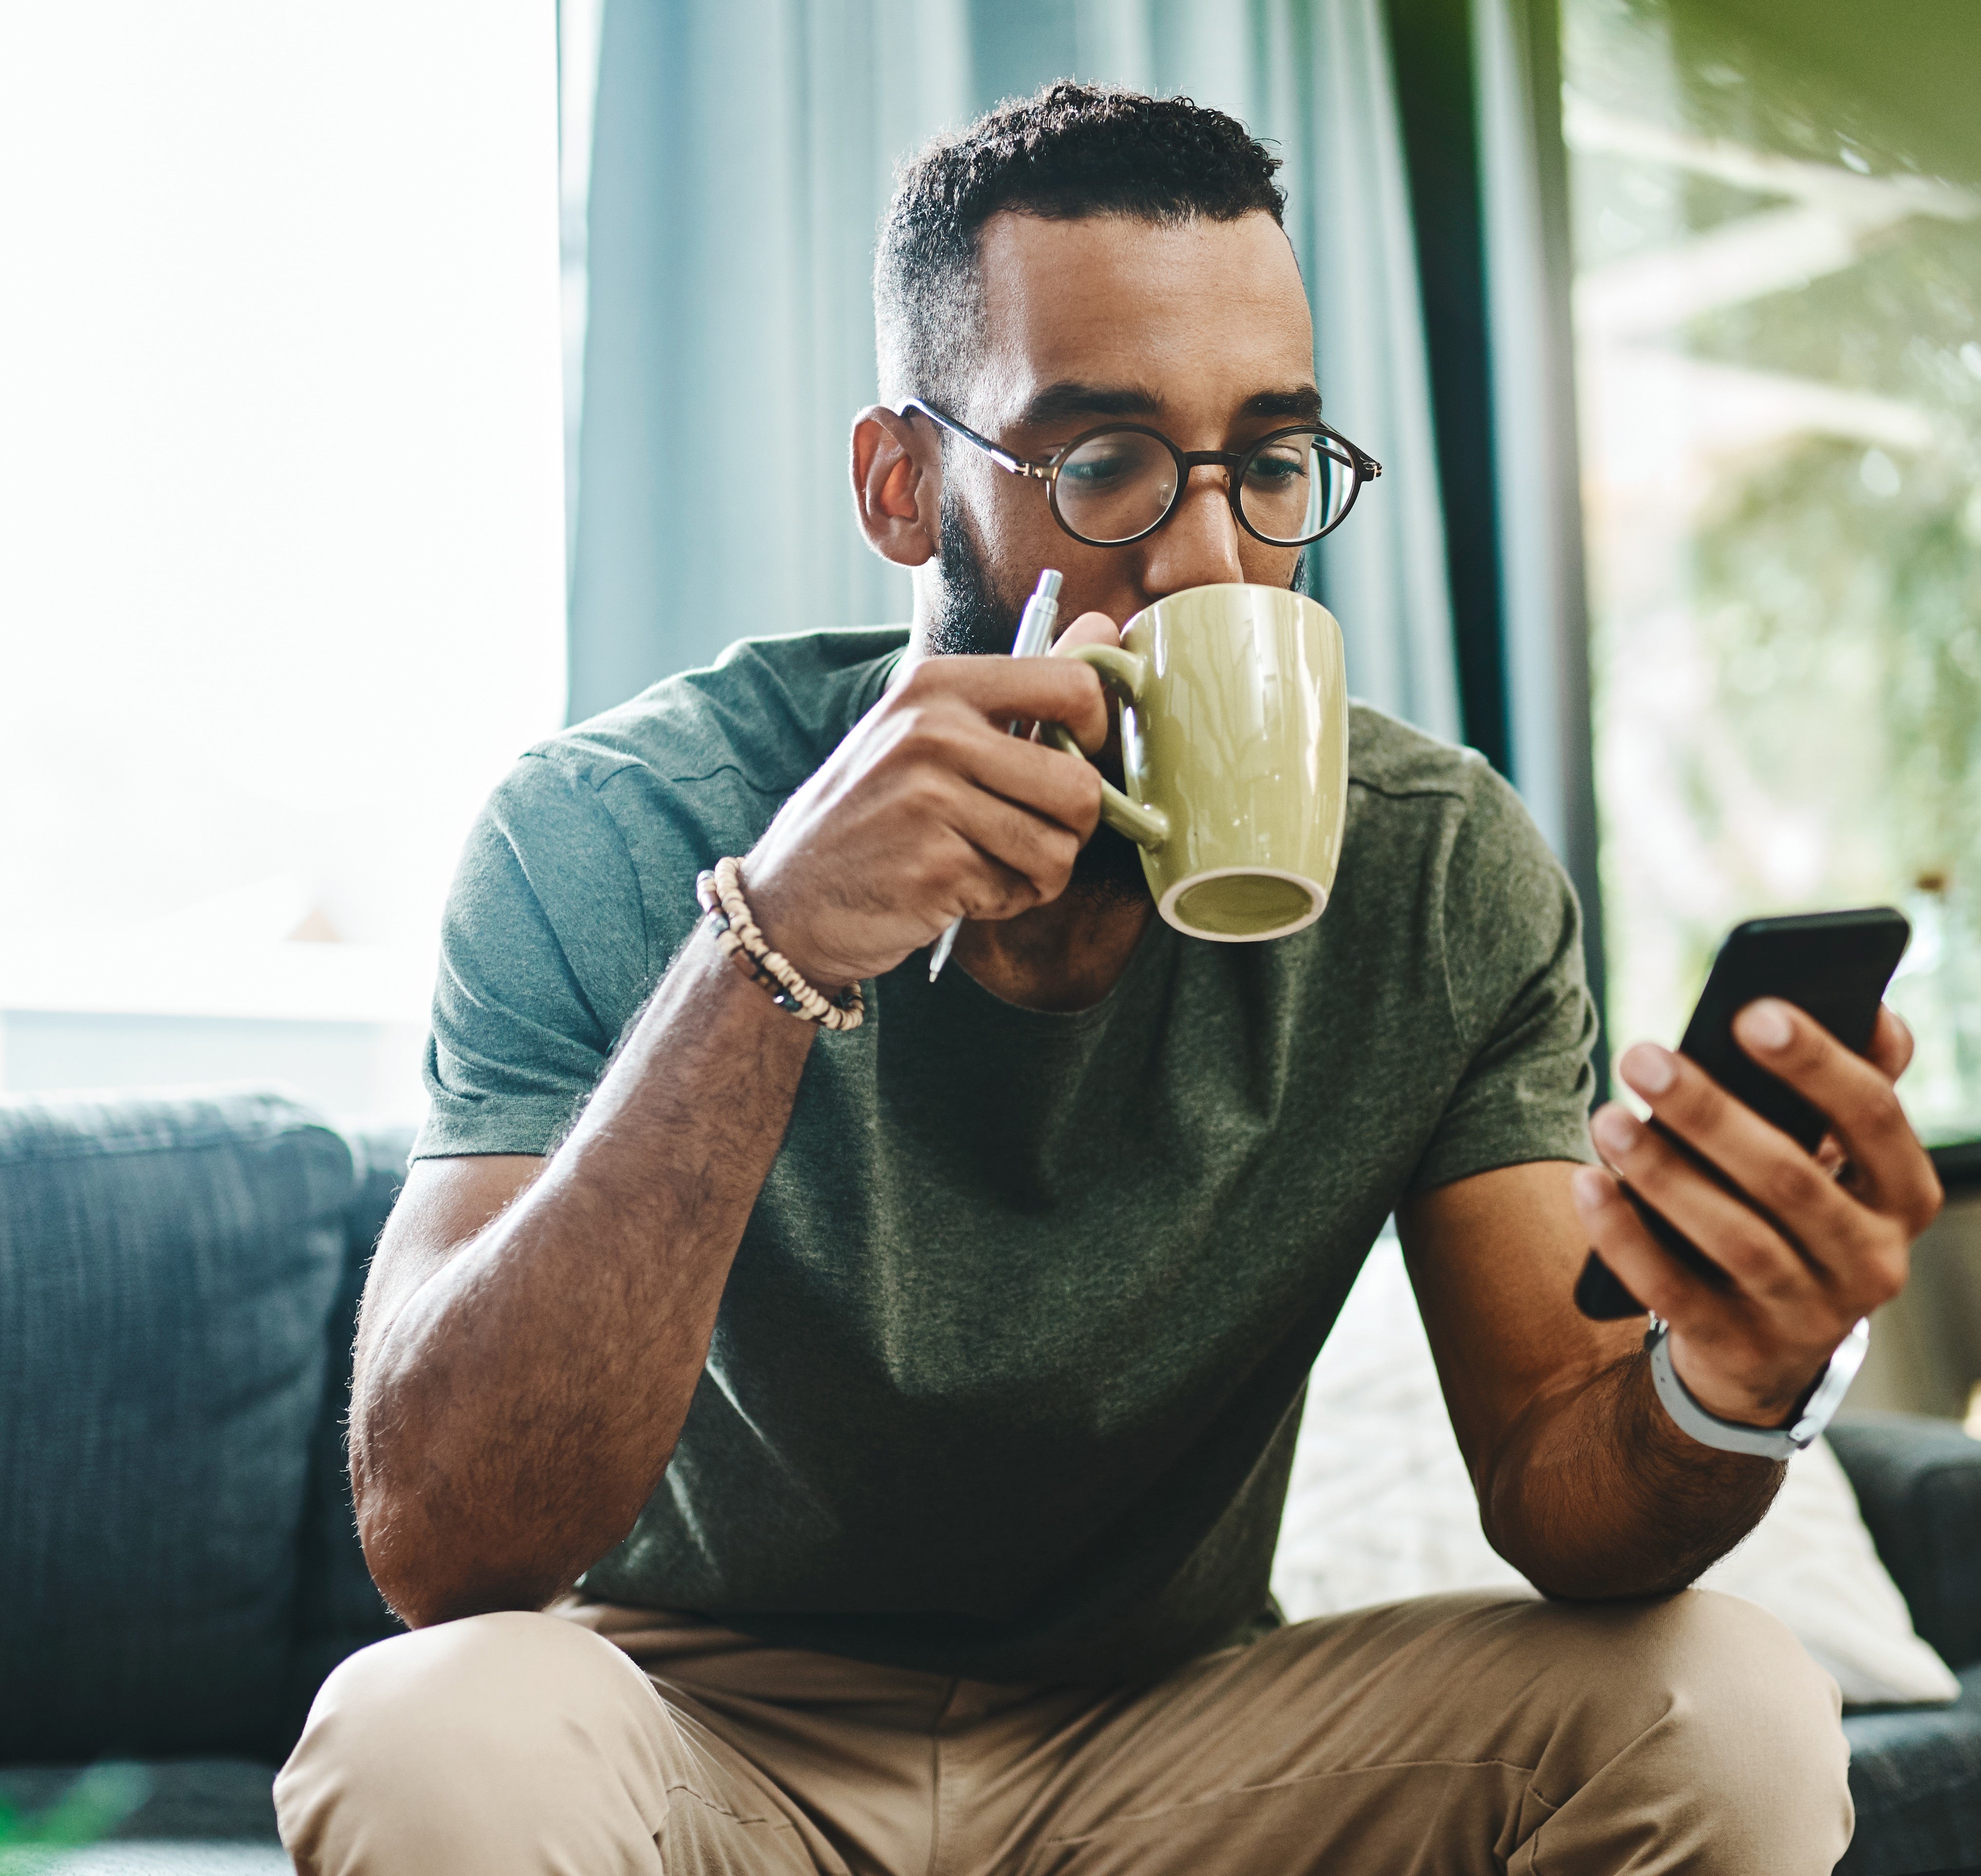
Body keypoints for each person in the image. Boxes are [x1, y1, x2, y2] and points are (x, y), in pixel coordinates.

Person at [275, 83, 1940, 1875]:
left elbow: (1563, 1483)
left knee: (1729, 1709)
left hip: (1179, 1741)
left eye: (1273, 463)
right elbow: (445, 1546)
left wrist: (1731, 1378)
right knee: (422, 1738)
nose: (1206, 562)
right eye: (1104, 463)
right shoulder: (607, 828)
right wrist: (769, 946)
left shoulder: (1435, 869)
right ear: (905, 487)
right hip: (702, 1729)